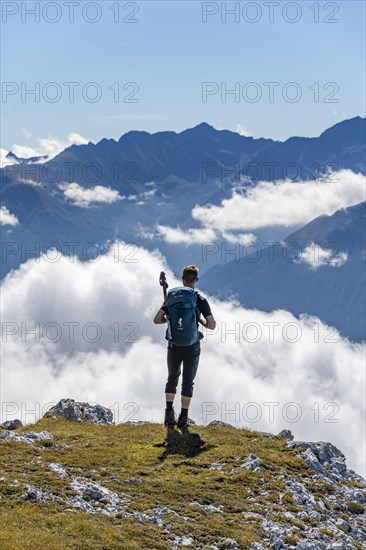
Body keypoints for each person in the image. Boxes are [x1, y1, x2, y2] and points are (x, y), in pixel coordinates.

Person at [153, 265, 216, 429]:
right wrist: (199, 321)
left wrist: (169, 318)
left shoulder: (171, 298)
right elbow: (212, 325)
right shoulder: (199, 300)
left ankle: (168, 414)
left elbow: (157, 320)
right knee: (188, 382)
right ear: (196, 280)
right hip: (192, 347)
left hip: (174, 345)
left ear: (182, 279)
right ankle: (183, 417)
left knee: (172, 378)